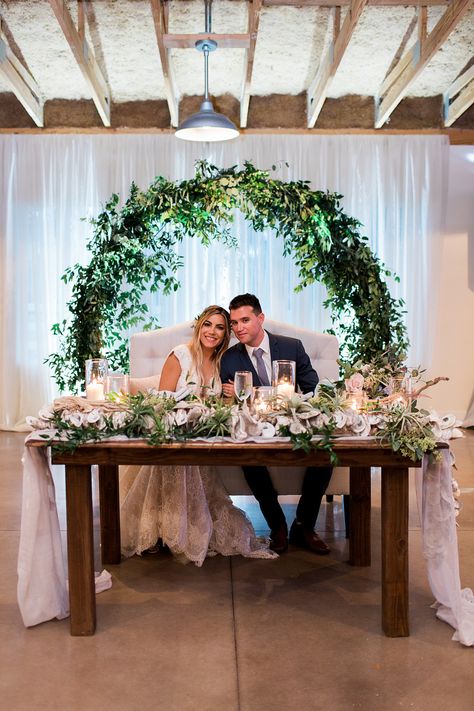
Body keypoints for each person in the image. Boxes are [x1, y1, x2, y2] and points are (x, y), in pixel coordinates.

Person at [120, 305, 274, 566]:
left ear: (226, 335)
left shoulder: (222, 362)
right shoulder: (179, 355)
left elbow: (222, 410)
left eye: (220, 328)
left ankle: (178, 529)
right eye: (208, 325)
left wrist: (228, 398)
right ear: (199, 326)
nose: (212, 332)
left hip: (202, 438)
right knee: (176, 459)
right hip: (173, 433)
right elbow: (162, 402)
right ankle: (162, 530)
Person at [220, 293, 332, 555]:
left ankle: (304, 525)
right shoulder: (230, 358)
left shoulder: (292, 346)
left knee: (325, 453)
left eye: (245, 320)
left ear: (261, 318)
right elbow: (235, 402)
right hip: (254, 429)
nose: (239, 328)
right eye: (234, 323)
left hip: (294, 422)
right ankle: (277, 525)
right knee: (248, 455)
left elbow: (312, 388)